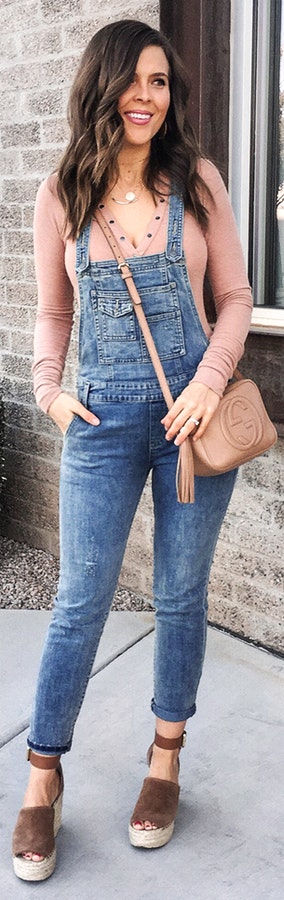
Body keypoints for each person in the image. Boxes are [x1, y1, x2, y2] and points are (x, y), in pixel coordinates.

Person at [12, 18, 252, 881]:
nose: (147, 96)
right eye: (133, 79)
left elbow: (233, 297)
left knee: (181, 598)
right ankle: (43, 777)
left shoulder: (200, 184)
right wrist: (49, 389)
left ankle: (165, 760)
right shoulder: (60, 194)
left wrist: (207, 382)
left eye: (160, 81)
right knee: (79, 601)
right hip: (100, 425)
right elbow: (52, 314)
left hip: (193, 424)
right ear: (101, 86)